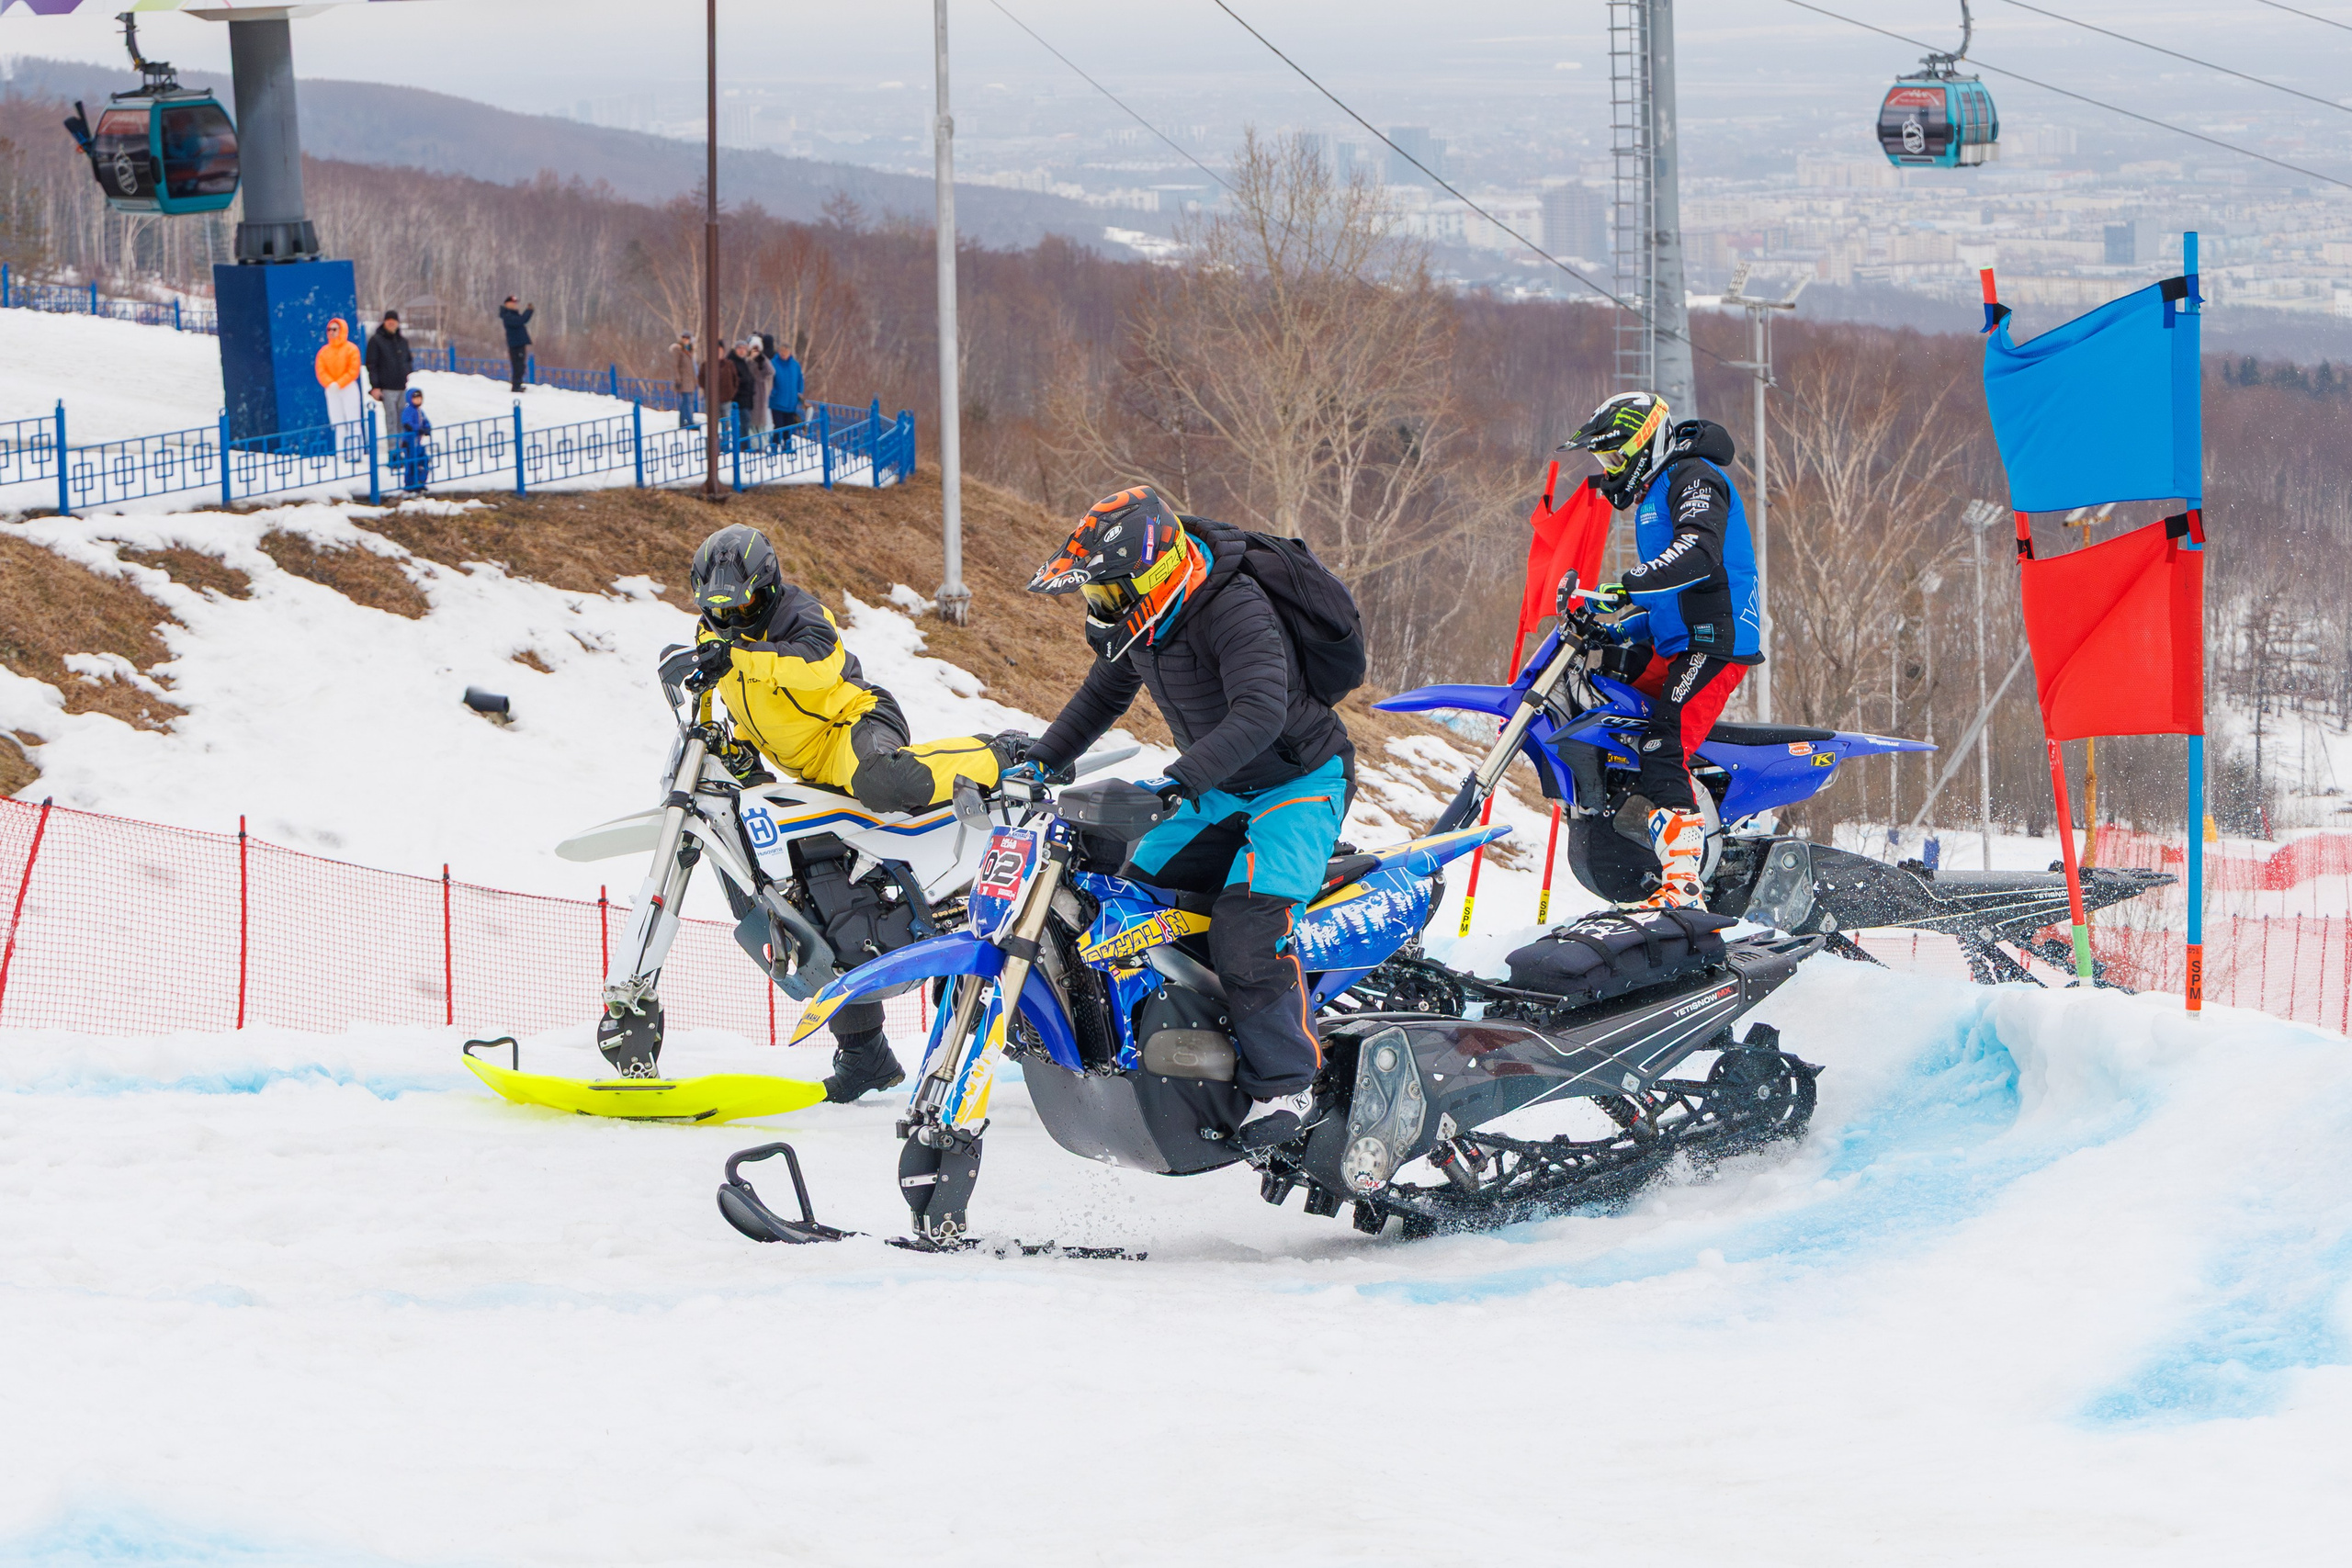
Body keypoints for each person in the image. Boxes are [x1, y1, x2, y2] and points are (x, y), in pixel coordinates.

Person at [1014, 486, 1354, 1152]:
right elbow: (1101, 695)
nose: (1102, 609)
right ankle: (1176, 1039)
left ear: (1157, 572)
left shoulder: (1234, 608)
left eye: (1110, 593)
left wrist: (1179, 781)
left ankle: (1284, 1081)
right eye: (1095, 597)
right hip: (1224, 782)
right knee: (1128, 894)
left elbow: (1260, 713)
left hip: (1300, 781)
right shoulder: (1142, 624)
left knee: (1248, 924)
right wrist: (1040, 762)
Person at [681, 525, 1031, 1100]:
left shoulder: (800, 614)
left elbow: (818, 667)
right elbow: (734, 699)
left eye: (740, 602)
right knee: (805, 901)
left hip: (853, 727)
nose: (730, 615)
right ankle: (866, 1057)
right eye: (716, 607)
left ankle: (1000, 755)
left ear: (765, 587)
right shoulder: (716, 637)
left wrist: (738, 657)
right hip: (803, 769)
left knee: (882, 780)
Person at [1560, 390, 1762, 909]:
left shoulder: (1694, 477)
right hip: (1676, 641)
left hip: (1715, 641)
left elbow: (1697, 552)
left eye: (1614, 457)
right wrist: (1614, 629)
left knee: (1660, 742)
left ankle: (1683, 886)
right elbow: (1666, 601)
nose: (1609, 470)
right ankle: (1629, 853)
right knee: (1610, 715)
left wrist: (1628, 585)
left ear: (1646, 443)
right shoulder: (1652, 496)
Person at [363, 310, 413, 450]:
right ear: (384, 322)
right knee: (391, 420)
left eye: (394, 320)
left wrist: (406, 372)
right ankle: (394, 452)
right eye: (388, 320)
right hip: (387, 388)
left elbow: (408, 360)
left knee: (402, 420)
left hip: (402, 387)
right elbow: (371, 365)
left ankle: (403, 449)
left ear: (397, 323)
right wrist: (375, 386)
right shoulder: (376, 340)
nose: (391, 323)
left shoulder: (402, 341)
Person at [314, 318, 363, 430]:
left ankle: (356, 447)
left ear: (341, 330)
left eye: (334, 329)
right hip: (332, 390)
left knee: (353, 422)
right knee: (338, 425)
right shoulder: (323, 352)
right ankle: (341, 447)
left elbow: (353, 370)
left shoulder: (351, 349)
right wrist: (330, 384)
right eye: (329, 329)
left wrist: (339, 383)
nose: (331, 332)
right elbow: (321, 370)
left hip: (348, 387)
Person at [766, 332, 806, 449]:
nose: (784, 354)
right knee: (779, 425)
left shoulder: (795, 365)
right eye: (782, 351)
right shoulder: (773, 363)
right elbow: (768, 380)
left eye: (786, 351)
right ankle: (775, 446)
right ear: (779, 352)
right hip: (777, 402)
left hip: (791, 402)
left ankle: (787, 447)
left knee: (789, 427)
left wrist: (799, 393)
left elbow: (800, 380)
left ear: (790, 352)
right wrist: (772, 392)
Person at [399, 388, 433, 492]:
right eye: (415, 398)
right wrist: (417, 428)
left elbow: (425, 421)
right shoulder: (408, 410)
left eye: (419, 398)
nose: (418, 401)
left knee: (422, 461)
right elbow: (407, 423)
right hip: (409, 442)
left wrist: (427, 428)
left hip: (418, 441)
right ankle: (410, 484)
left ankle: (420, 482)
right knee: (411, 462)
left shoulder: (420, 411)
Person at [499, 295, 534, 391]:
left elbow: (522, 320)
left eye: (515, 303)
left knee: (521, 365)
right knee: (518, 366)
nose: (515, 305)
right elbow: (521, 321)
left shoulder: (513, 314)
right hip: (515, 344)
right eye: (513, 303)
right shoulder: (508, 316)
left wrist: (529, 311)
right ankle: (516, 386)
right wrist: (528, 311)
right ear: (507, 304)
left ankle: (518, 384)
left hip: (519, 343)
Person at [744, 337, 774, 440]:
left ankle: (762, 443)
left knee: (761, 420)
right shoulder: (748, 361)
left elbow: (771, 371)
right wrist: (751, 360)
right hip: (750, 393)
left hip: (761, 392)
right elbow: (748, 372)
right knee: (751, 421)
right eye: (753, 348)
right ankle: (754, 443)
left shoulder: (763, 360)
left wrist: (762, 360)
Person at [671, 331, 699, 430]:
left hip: (689, 380)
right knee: (687, 402)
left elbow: (692, 368)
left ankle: (683, 422)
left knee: (685, 402)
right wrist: (678, 380)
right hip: (683, 380)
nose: (686, 340)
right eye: (684, 338)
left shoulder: (688, 350)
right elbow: (675, 366)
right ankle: (690, 422)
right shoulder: (678, 350)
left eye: (687, 338)